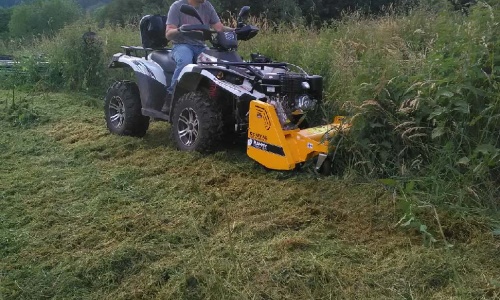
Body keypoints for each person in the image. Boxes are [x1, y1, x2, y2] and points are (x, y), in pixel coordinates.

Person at [163, 0, 233, 112]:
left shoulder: (207, 6)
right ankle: (171, 96)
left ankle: (214, 97)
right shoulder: (177, 6)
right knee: (185, 61)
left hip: (201, 46)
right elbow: (168, 34)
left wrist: (236, 30)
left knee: (217, 64)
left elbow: (219, 28)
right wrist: (180, 29)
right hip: (182, 45)